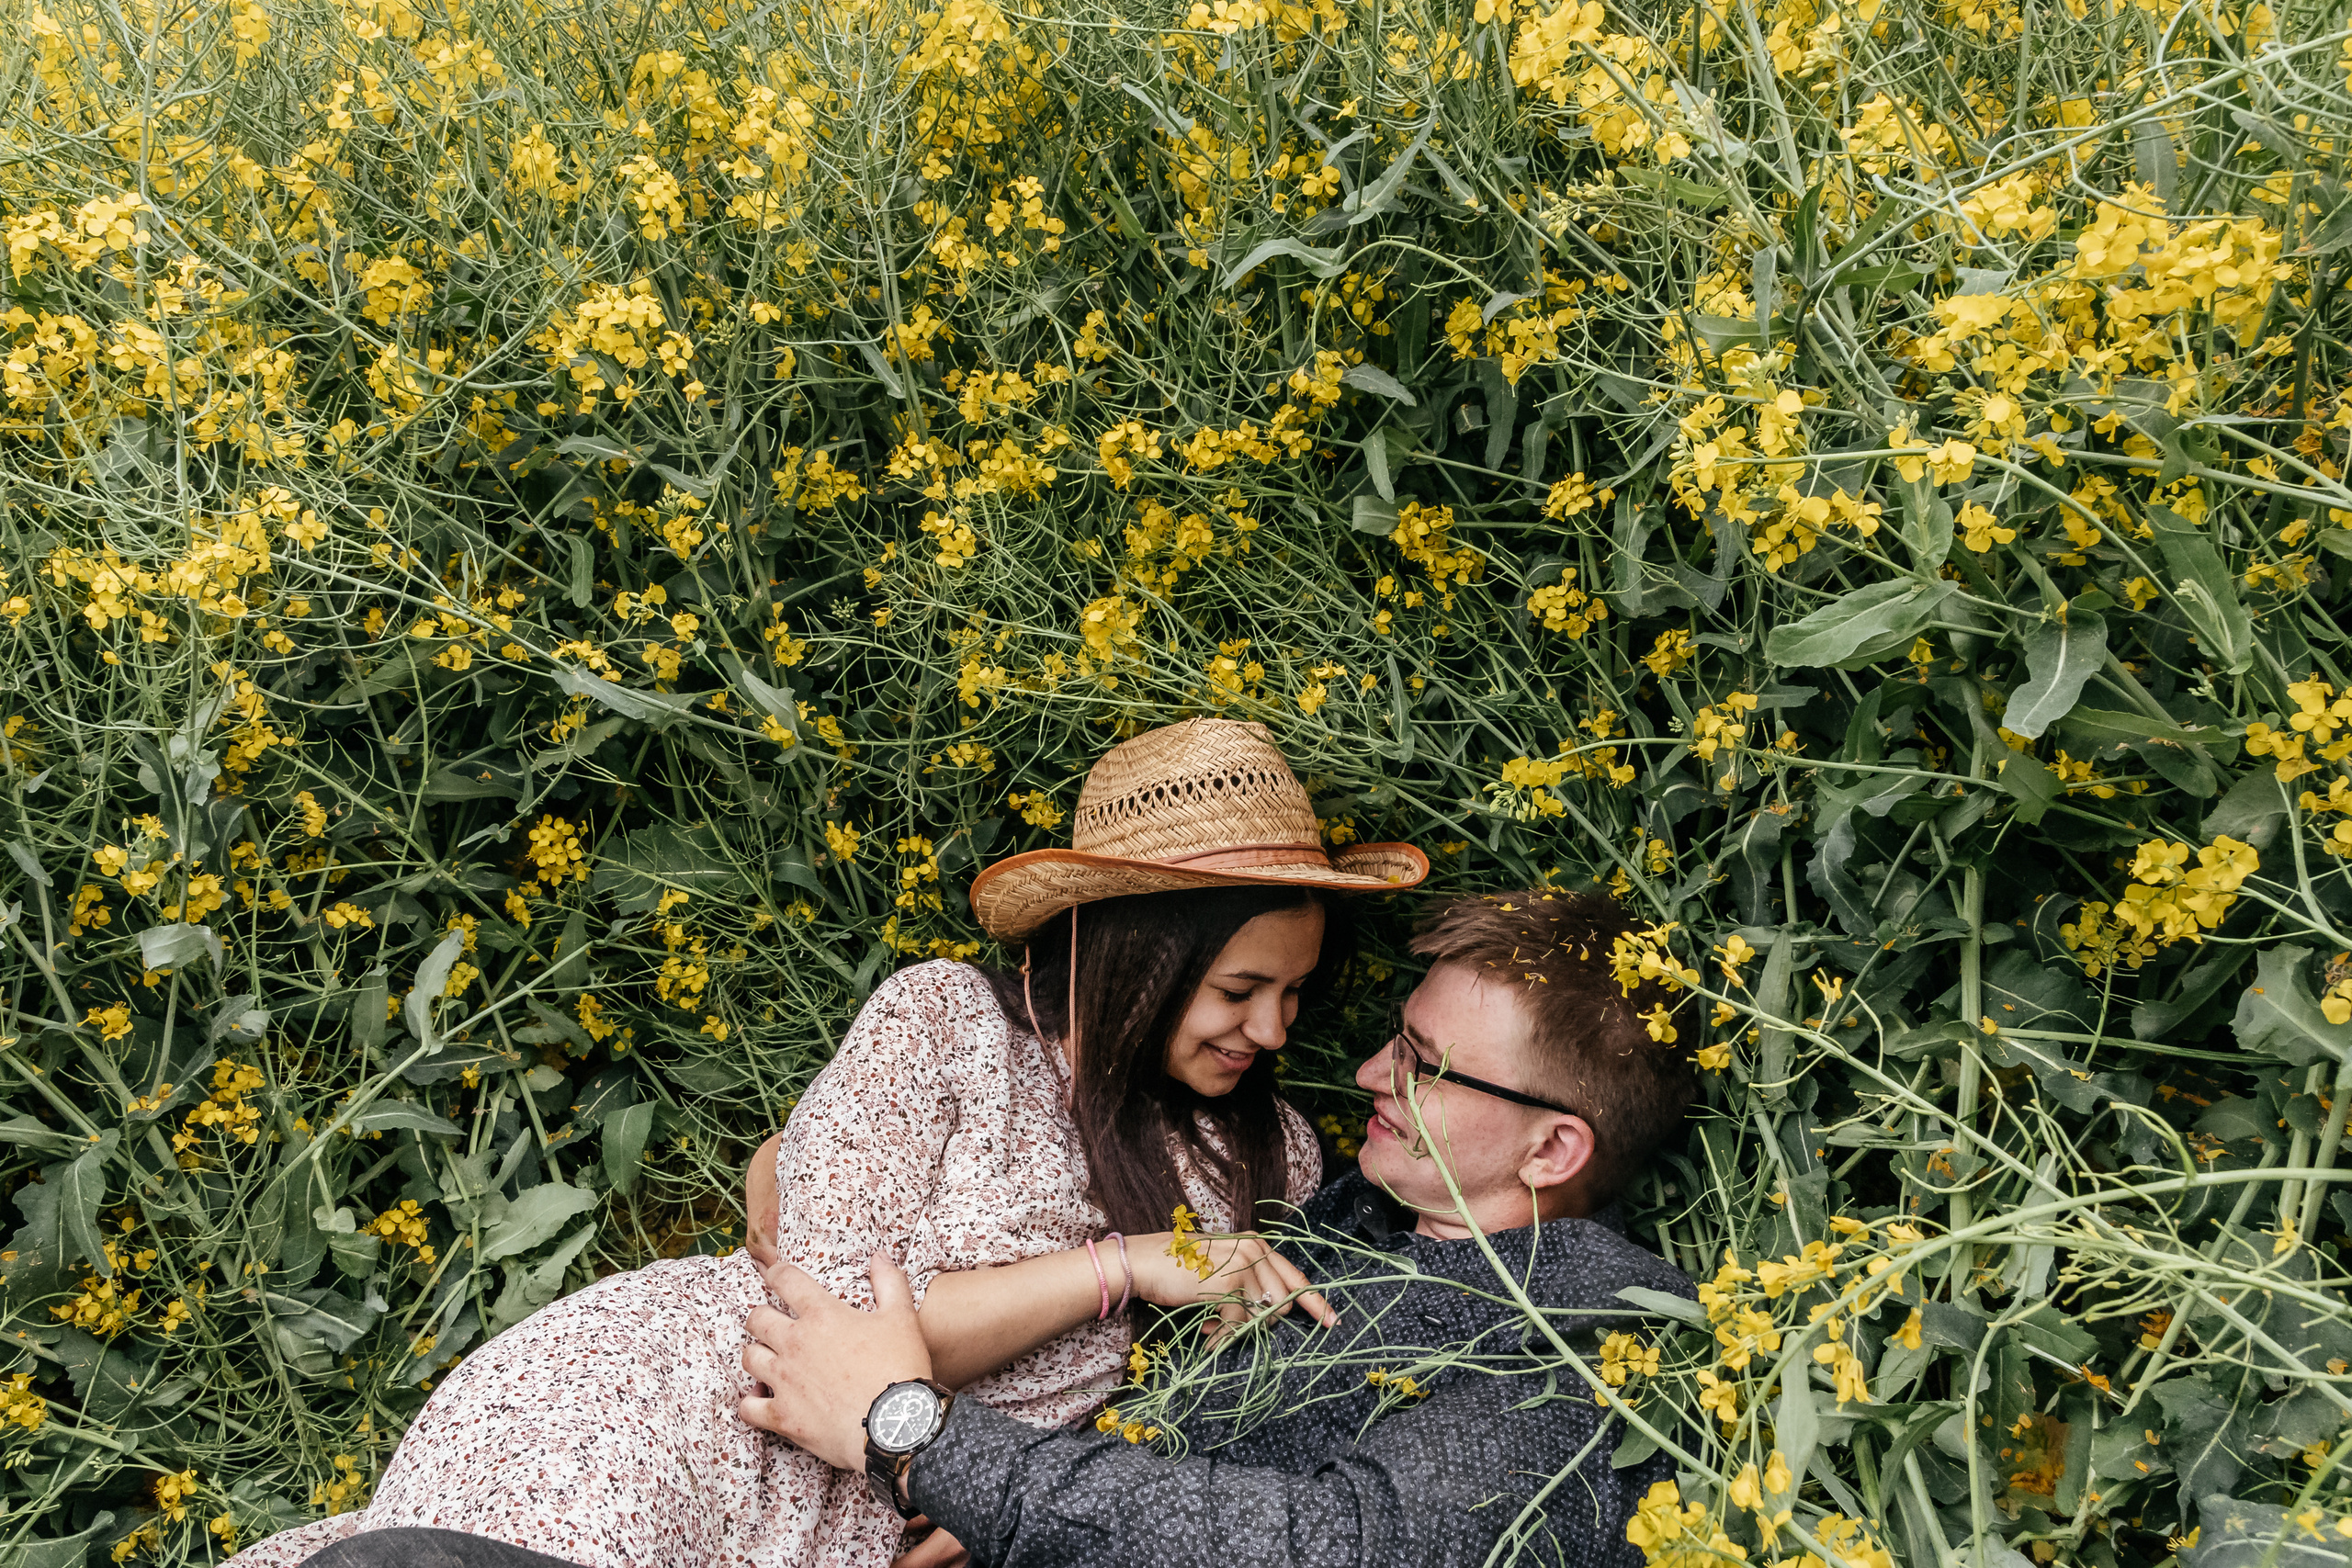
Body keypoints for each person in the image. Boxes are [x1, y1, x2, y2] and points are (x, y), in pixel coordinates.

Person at [225, 718, 1426, 1568]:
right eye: (1238, 990)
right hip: (684, 1415)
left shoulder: (1267, 1155)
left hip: (872, 1505)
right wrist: (1127, 1266)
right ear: (1142, 960)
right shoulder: (946, 1024)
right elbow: (839, 1331)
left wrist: (1022, 1493)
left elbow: (1219, 1406)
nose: (1270, 1031)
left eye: (1296, 996)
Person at [300, 888, 1700, 1568]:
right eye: (1389, 1040)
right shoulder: (1336, 1218)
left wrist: (936, 1445)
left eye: (1428, 1065)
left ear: (1553, 1144)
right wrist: (1007, 1492)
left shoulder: (1576, 1319)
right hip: (716, 1440)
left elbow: (1339, 1549)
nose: (1364, 1069)